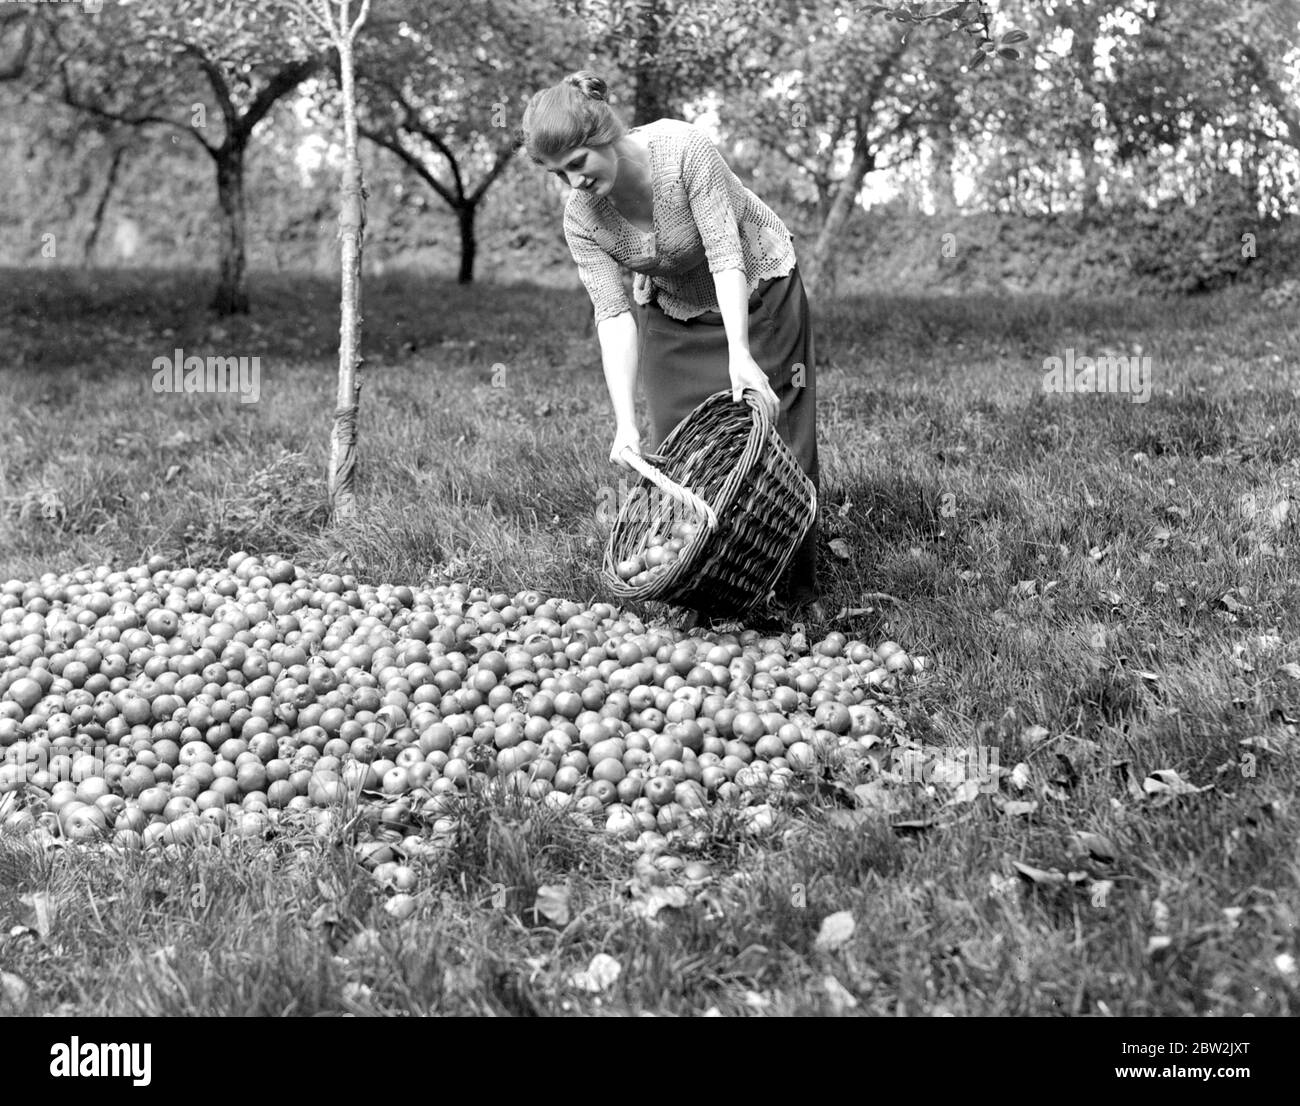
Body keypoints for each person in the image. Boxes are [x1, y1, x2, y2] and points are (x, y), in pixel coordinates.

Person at [519, 71, 824, 623]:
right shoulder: (582, 217)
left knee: (774, 433)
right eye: (560, 173)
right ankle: (707, 588)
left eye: (579, 163)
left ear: (605, 132)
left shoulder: (684, 150)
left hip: (755, 290)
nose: (574, 183)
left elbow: (726, 255)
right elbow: (612, 316)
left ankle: (792, 595)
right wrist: (624, 423)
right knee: (680, 448)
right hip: (673, 306)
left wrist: (739, 354)